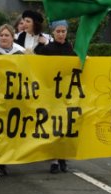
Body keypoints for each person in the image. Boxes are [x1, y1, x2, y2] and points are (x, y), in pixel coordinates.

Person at [34, 19, 74, 174]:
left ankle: (63, 157)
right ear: (53, 32)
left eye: (63, 31)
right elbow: (34, 59)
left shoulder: (70, 48)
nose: (61, 34)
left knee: (64, 126)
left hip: (66, 93)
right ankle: (54, 160)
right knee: (53, 126)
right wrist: (40, 44)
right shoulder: (48, 48)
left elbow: (79, 62)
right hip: (51, 93)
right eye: (58, 31)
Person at [0, 24, 23, 180]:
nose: (4, 38)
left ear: (12, 37)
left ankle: (3, 163)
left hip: (11, 100)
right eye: (1, 35)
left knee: (7, 132)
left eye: (7, 35)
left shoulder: (20, 55)